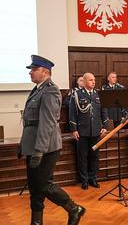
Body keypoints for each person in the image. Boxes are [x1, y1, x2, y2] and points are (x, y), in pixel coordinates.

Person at [19, 55, 85, 225]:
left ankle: (73, 208)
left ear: (45, 72)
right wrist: (23, 144)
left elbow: (47, 123)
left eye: (34, 70)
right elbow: (30, 121)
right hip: (33, 144)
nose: (30, 73)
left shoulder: (50, 90)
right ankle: (36, 221)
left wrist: (39, 150)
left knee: (43, 184)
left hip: (46, 147)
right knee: (35, 186)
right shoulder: (38, 89)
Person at [69, 73, 109, 190]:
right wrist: (74, 129)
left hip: (96, 130)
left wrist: (105, 126)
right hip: (82, 131)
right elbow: (72, 113)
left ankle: (93, 178)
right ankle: (84, 180)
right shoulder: (76, 94)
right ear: (85, 81)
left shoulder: (98, 94)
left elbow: (104, 111)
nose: (93, 82)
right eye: (91, 80)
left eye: (94, 80)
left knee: (94, 156)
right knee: (82, 157)